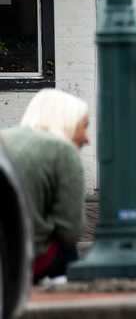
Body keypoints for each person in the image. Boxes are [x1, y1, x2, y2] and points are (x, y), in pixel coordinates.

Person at [0, 89, 89, 283]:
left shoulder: (3, 138)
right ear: (68, 123)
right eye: (84, 126)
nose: (87, 138)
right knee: (67, 248)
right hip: (26, 261)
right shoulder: (63, 151)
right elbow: (70, 230)